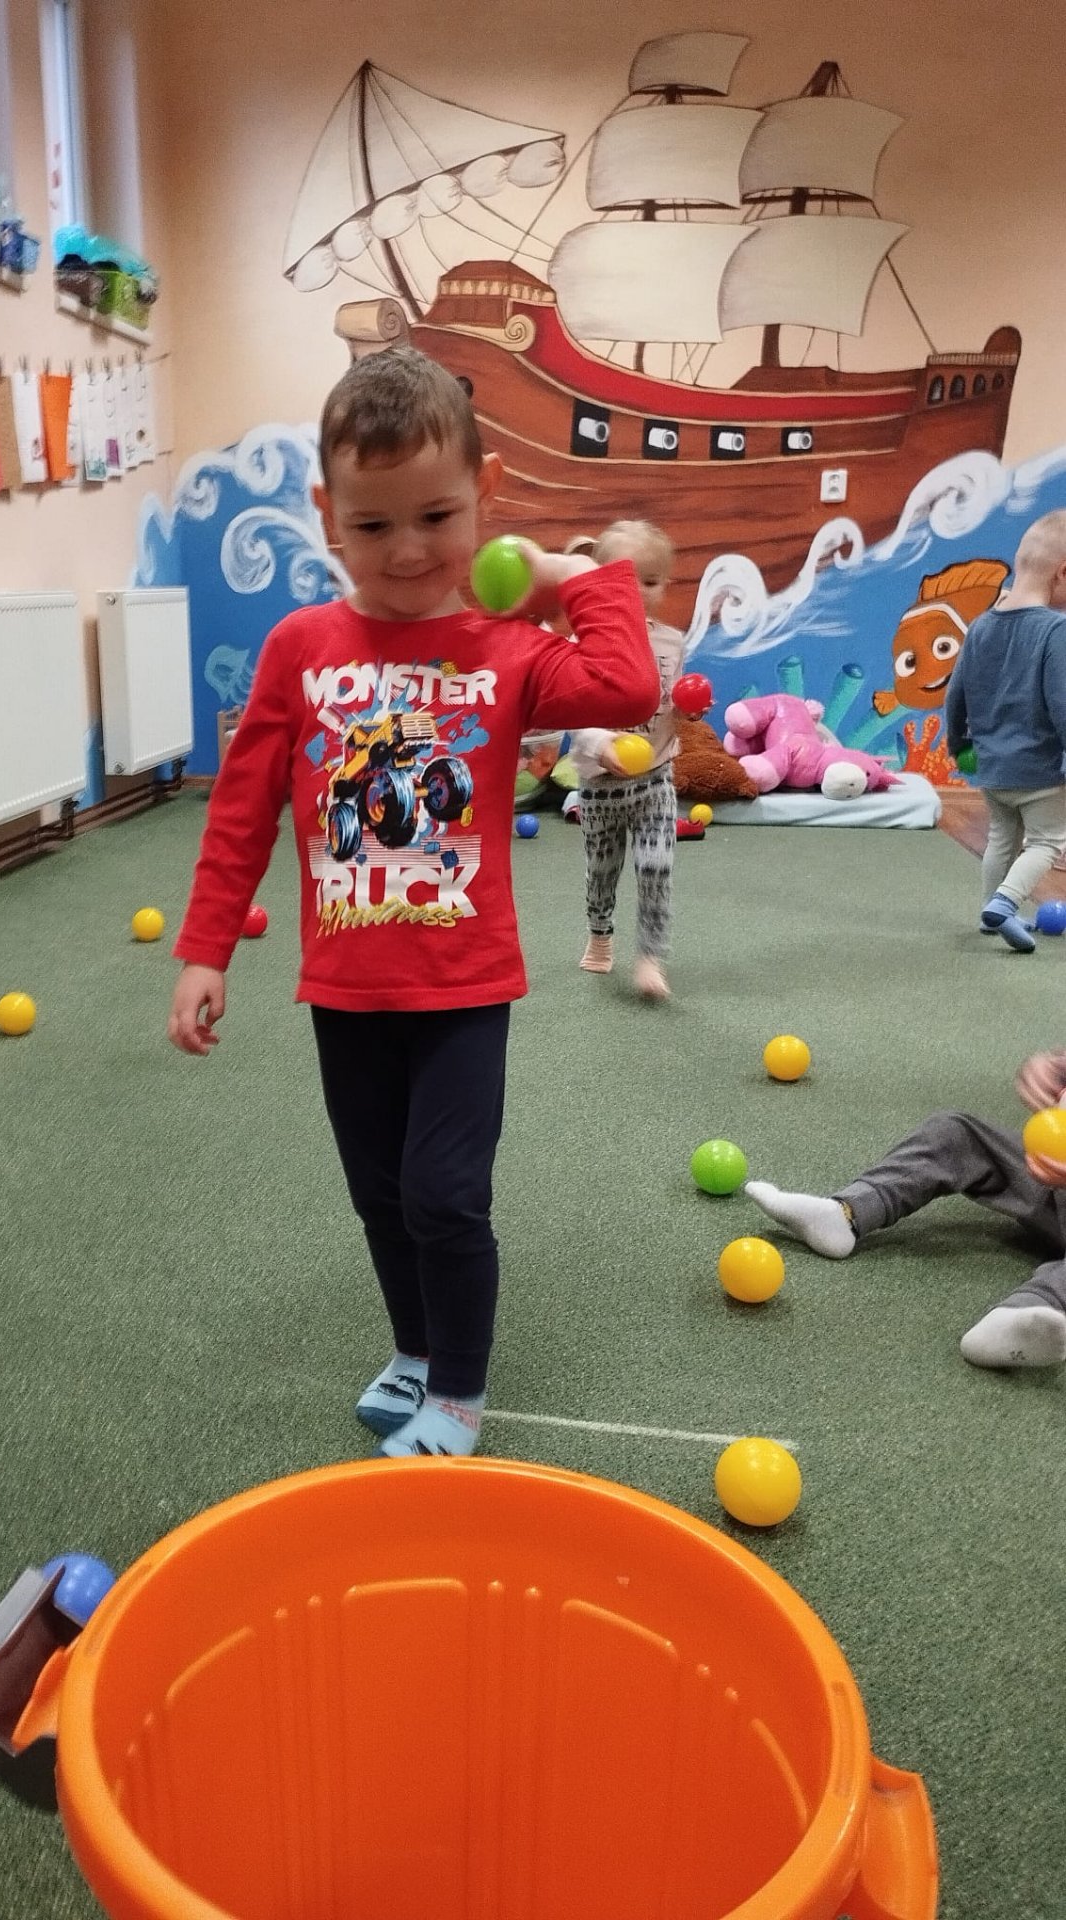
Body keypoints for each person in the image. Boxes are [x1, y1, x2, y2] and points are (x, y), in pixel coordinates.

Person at [166, 346, 658, 1457]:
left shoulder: (508, 648)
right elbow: (241, 811)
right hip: (345, 990)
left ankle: (460, 1395)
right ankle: (417, 1351)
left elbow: (627, 686)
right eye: (371, 523)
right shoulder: (301, 650)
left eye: (437, 516)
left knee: (444, 1195)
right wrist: (206, 950)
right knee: (381, 1197)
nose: (405, 550)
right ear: (326, 515)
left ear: (486, 495)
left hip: (462, 989)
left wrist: (565, 575)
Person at [744, 1046, 1066, 1369]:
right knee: (955, 1132)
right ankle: (847, 1215)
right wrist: (1054, 1070)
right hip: (1053, 1183)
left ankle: (1031, 1313)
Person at [567, 520, 685, 999]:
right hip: (600, 785)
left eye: (651, 582)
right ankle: (600, 934)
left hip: (655, 778)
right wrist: (601, 745)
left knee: (656, 866)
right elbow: (572, 711)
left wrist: (688, 709)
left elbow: (672, 704)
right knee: (602, 870)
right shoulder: (584, 644)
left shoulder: (672, 642)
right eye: (626, 579)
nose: (638, 591)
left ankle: (651, 957)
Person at [945, 508, 1066, 952]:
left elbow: (955, 695)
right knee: (1047, 842)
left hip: (993, 767)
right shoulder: (1055, 630)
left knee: (1002, 838)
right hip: (1040, 770)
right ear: (1063, 572)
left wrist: (958, 744)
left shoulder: (981, 625)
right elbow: (1062, 703)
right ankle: (1004, 903)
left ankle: (989, 912)